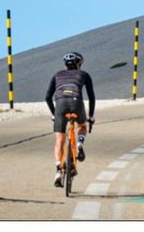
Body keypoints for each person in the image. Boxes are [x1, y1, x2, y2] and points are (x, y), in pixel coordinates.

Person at [45, 52, 95, 187]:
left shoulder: (57, 75)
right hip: (76, 103)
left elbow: (47, 97)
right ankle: (80, 143)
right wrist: (91, 116)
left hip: (60, 104)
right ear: (79, 64)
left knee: (60, 140)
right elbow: (91, 97)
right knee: (82, 127)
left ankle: (58, 171)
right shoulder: (84, 74)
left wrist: (54, 114)